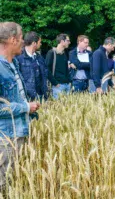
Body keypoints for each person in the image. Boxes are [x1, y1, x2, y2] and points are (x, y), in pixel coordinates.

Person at [0, 22, 40, 191]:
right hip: (5, 138)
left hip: (19, 133)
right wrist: (25, 107)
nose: (24, 42)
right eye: (22, 38)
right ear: (12, 39)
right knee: (4, 185)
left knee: (14, 183)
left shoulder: (14, 64)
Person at [15, 31, 48, 101]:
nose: (41, 44)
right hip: (27, 98)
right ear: (34, 43)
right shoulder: (18, 58)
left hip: (41, 96)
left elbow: (44, 75)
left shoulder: (39, 57)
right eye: (39, 42)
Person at [45, 34, 72, 99]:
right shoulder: (51, 53)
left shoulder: (64, 53)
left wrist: (69, 82)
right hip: (57, 85)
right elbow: (46, 70)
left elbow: (66, 70)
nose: (69, 42)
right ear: (62, 41)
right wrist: (55, 83)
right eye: (68, 41)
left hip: (67, 84)